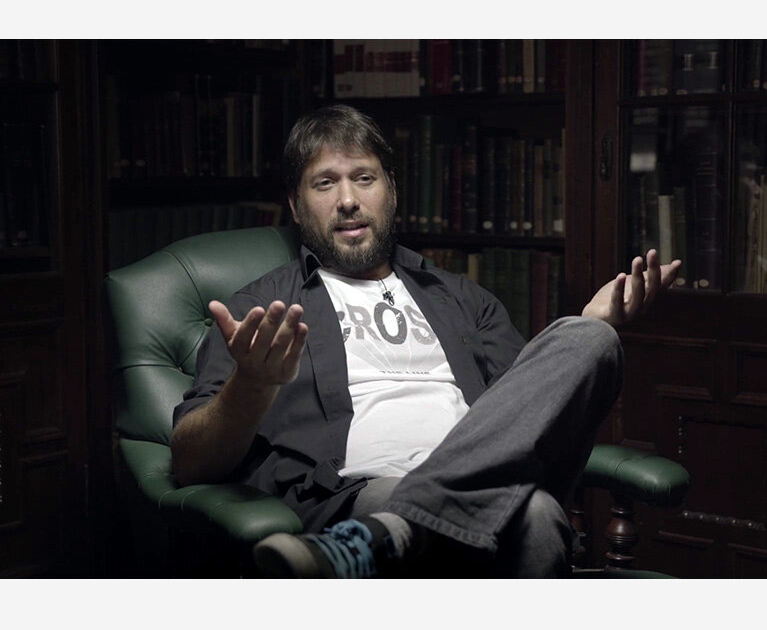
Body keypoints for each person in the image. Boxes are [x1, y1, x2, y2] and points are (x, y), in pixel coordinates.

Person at [170, 104, 682, 578]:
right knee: (538, 516)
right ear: (296, 206)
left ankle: (391, 531)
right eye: (324, 183)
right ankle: (394, 521)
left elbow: (527, 418)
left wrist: (588, 328)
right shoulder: (262, 310)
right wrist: (252, 384)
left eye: (363, 178)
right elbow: (192, 462)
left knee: (591, 336)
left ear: (391, 189)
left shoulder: (463, 298)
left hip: (483, 488)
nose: (347, 200)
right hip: (362, 492)